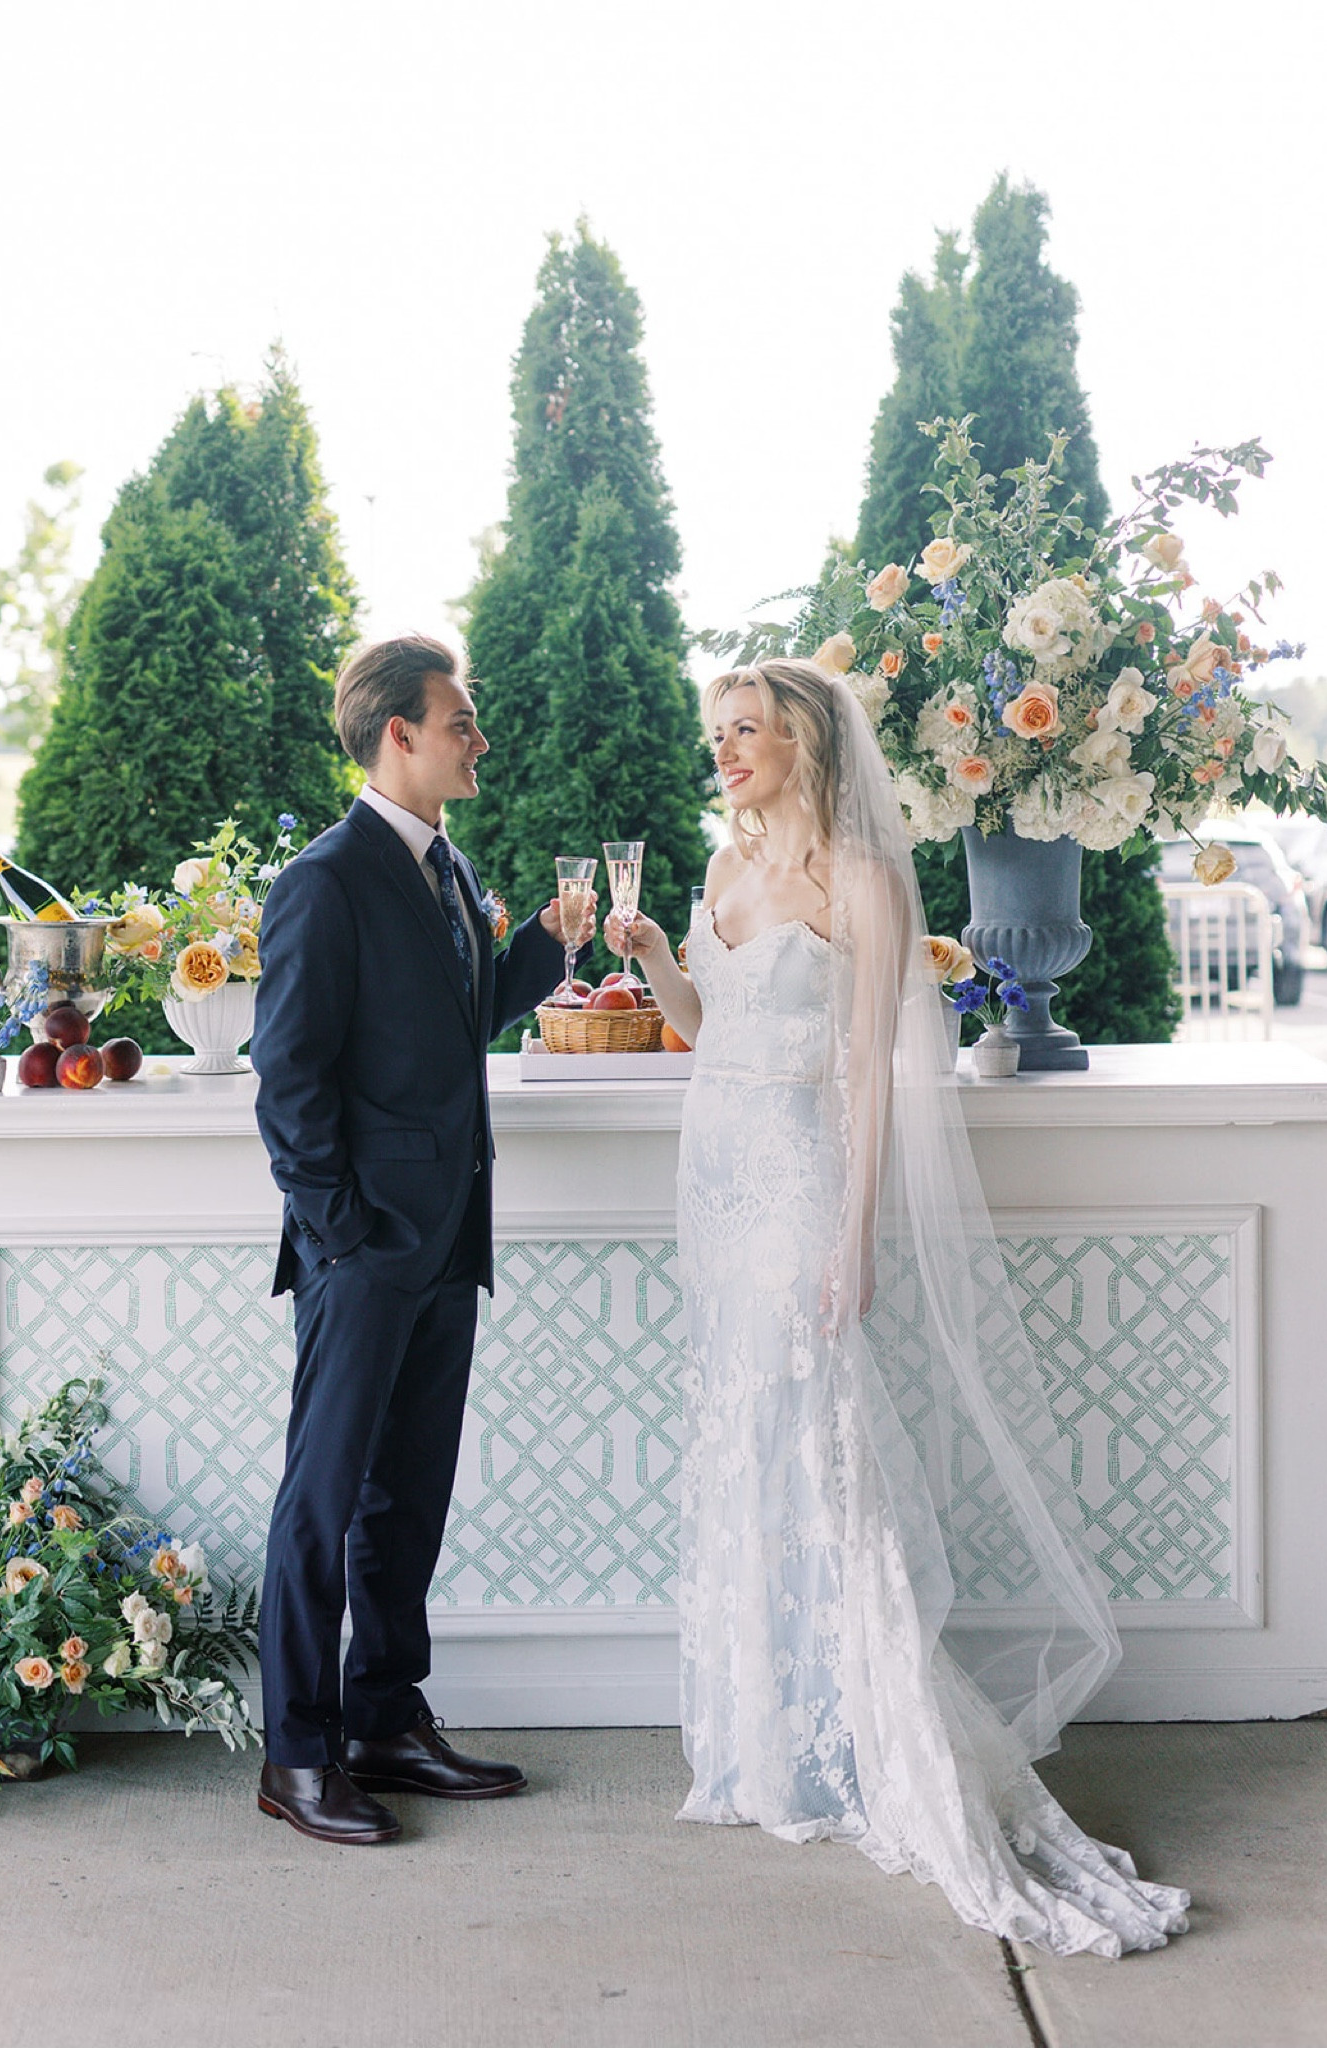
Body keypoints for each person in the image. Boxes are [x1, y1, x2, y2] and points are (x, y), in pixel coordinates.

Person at [609, 656, 1190, 1956]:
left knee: (824, 1460)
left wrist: (854, 1237)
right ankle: (773, 1747)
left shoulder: (860, 880)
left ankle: (867, 1740)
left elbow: (871, 1074)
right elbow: (706, 1029)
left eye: (747, 731)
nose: (728, 753)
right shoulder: (723, 871)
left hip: (807, 1188)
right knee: (750, 1453)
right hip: (719, 1183)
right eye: (720, 733)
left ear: (805, 742)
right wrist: (654, 960)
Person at [252, 633, 592, 1846]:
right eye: (461, 720)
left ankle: (387, 1719)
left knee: (411, 1498)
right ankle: (297, 1754)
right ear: (399, 732)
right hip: (367, 1245)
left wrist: (547, 951)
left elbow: (454, 1027)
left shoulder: (449, 870)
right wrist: (341, 1230)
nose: (478, 738)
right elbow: (286, 1081)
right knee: (322, 1500)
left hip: (452, 1236)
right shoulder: (325, 880)